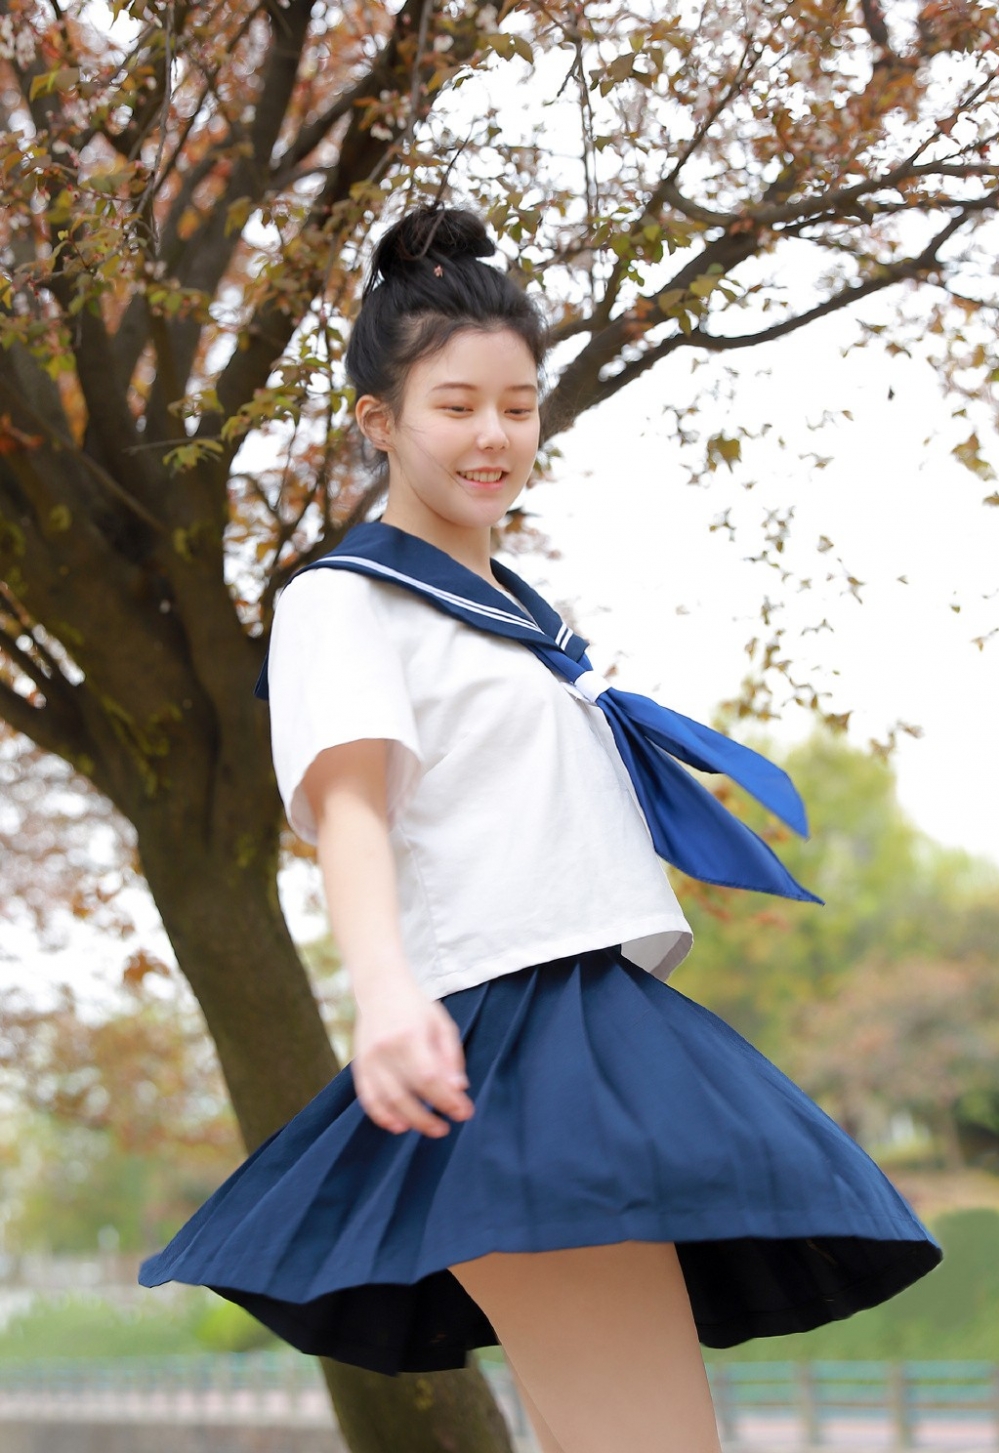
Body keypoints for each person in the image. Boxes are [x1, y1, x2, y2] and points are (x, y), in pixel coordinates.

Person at [140, 205, 941, 1453]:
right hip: (500, 1044)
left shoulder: (517, 617)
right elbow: (350, 807)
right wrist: (385, 996)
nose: (494, 435)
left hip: (583, 1027)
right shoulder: (345, 602)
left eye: (517, 404)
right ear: (378, 420)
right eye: (456, 404)